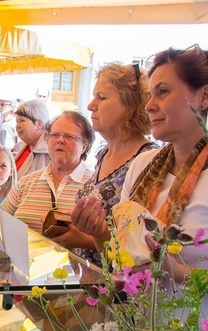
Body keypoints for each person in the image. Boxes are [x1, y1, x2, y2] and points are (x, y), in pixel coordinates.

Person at [73, 45, 208, 274]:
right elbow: (122, 259)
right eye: (150, 94)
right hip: (134, 310)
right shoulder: (143, 165)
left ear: (203, 97)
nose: (149, 105)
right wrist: (98, 232)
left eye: (163, 92)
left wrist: (176, 272)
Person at [72, 62, 159, 266]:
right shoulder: (104, 153)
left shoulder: (148, 160)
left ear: (131, 106)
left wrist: (84, 237)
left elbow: (140, 244)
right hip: (86, 277)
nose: (91, 105)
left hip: (116, 288)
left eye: (101, 97)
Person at [1, 111, 95, 242]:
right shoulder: (26, 182)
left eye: (69, 137)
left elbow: (109, 243)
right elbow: (0, 222)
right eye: (55, 135)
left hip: (72, 262)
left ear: (84, 146)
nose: (60, 140)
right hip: (24, 260)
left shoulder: (95, 185)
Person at [12, 99, 52, 182]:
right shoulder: (21, 146)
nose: (17, 126)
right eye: (17, 121)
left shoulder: (50, 151)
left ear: (39, 124)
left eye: (22, 120)